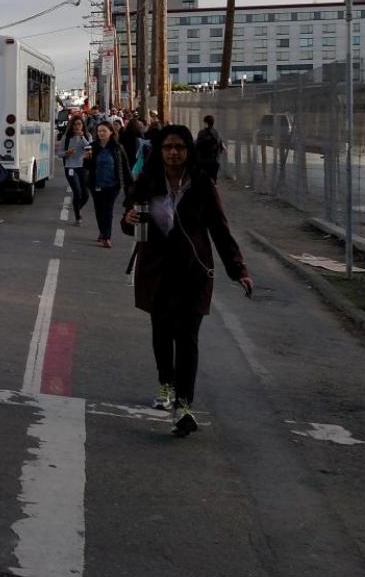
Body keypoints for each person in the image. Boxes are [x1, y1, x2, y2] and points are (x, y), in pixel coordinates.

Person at [122, 125, 254, 437]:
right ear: (160, 150)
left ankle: (184, 405)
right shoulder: (147, 181)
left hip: (193, 273)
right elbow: (132, 225)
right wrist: (127, 220)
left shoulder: (202, 184)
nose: (173, 152)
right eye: (168, 146)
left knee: (188, 338)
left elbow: (220, 230)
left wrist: (239, 270)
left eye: (179, 147)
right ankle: (165, 382)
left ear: (188, 150)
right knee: (162, 331)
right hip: (156, 271)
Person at [86, 120, 133, 248]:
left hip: (113, 185)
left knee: (108, 210)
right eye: (99, 131)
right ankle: (102, 231)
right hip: (96, 184)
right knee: (99, 210)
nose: (101, 133)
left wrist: (130, 184)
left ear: (111, 132)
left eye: (104, 131)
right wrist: (87, 158)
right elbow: (88, 167)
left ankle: (107, 237)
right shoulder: (92, 147)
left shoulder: (117, 148)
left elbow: (125, 166)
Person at [57, 115, 92, 225]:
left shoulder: (87, 136)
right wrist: (66, 153)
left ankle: (77, 208)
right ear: (71, 126)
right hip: (70, 167)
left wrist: (82, 137)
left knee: (85, 195)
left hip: (83, 167)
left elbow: (90, 148)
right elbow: (59, 153)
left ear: (82, 126)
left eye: (79, 124)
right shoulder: (67, 137)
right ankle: (78, 217)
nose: (77, 126)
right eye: (75, 124)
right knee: (77, 192)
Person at [195, 114, 225, 182]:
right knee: (213, 181)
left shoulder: (202, 133)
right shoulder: (217, 133)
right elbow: (221, 148)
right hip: (214, 163)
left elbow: (197, 146)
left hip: (203, 163)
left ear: (205, 123)